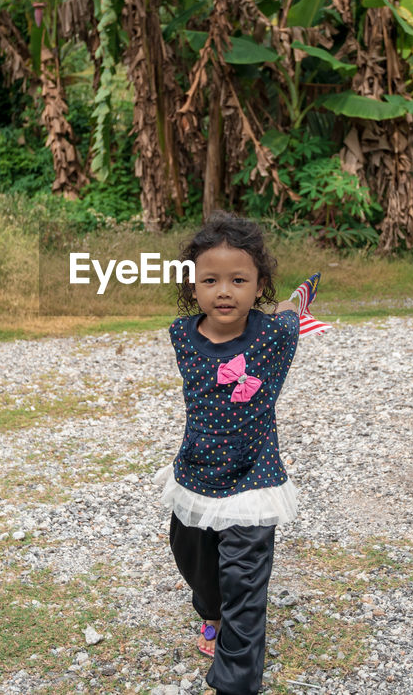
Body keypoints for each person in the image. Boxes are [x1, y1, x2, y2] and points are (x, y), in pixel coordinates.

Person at [155, 211, 325, 695]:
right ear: (191, 287)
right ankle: (209, 608)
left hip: (254, 476)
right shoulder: (181, 335)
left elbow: (293, 312)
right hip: (196, 472)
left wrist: (300, 297)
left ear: (259, 285)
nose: (224, 291)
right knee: (194, 558)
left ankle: (234, 682)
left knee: (245, 583)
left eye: (238, 280)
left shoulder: (275, 336)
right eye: (210, 280)